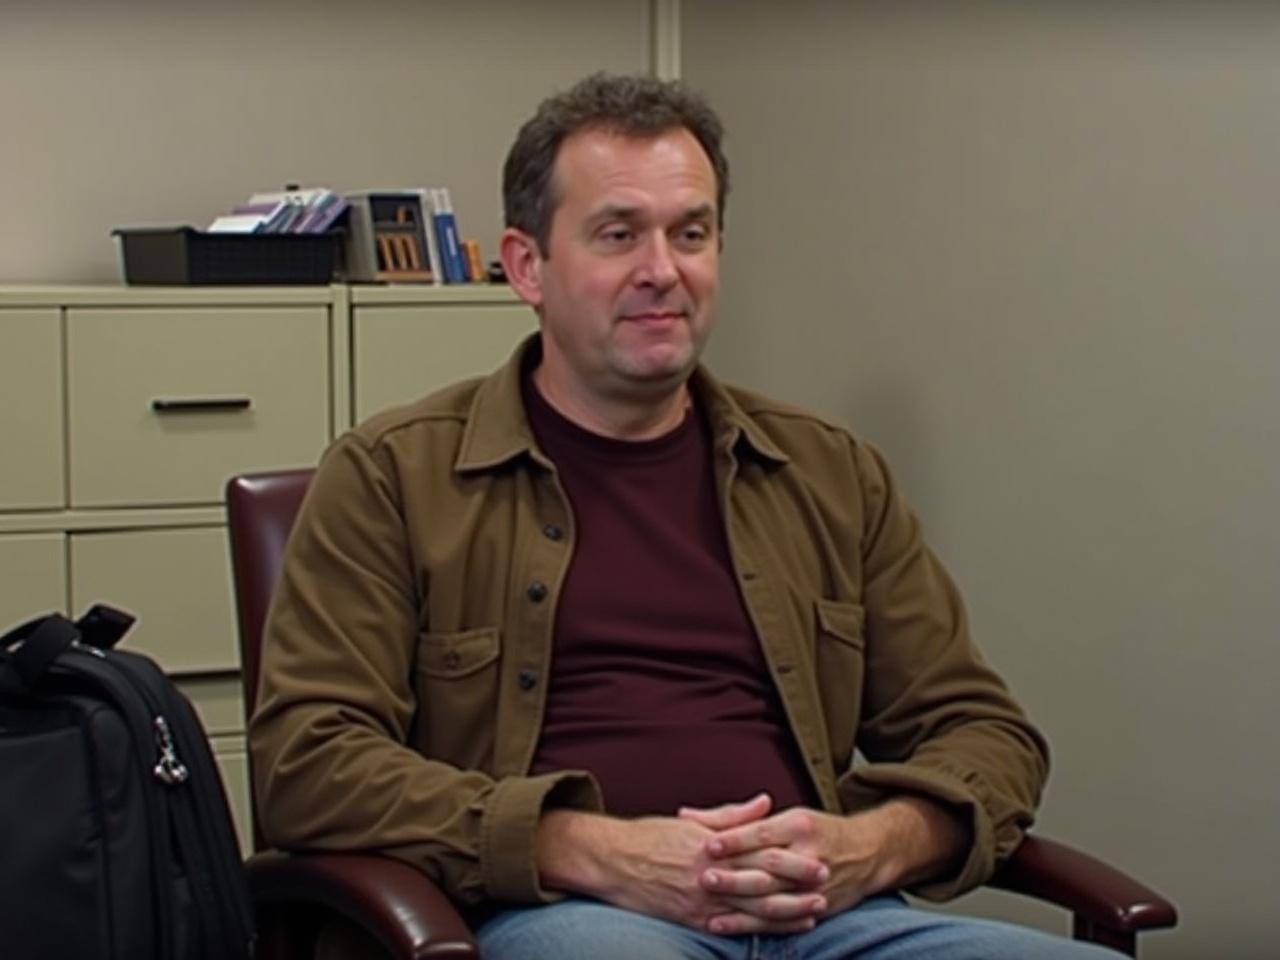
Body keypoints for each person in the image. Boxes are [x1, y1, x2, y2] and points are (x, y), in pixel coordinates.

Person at [250, 73, 1117, 959]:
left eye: (690, 234)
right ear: (526, 267)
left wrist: (864, 847)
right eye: (618, 235)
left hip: (827, 914)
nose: (662, 272)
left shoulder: (827, 472)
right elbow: (309, 764)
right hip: (562, 917)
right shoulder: (395, 476)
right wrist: (589, 851)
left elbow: (988, 733)